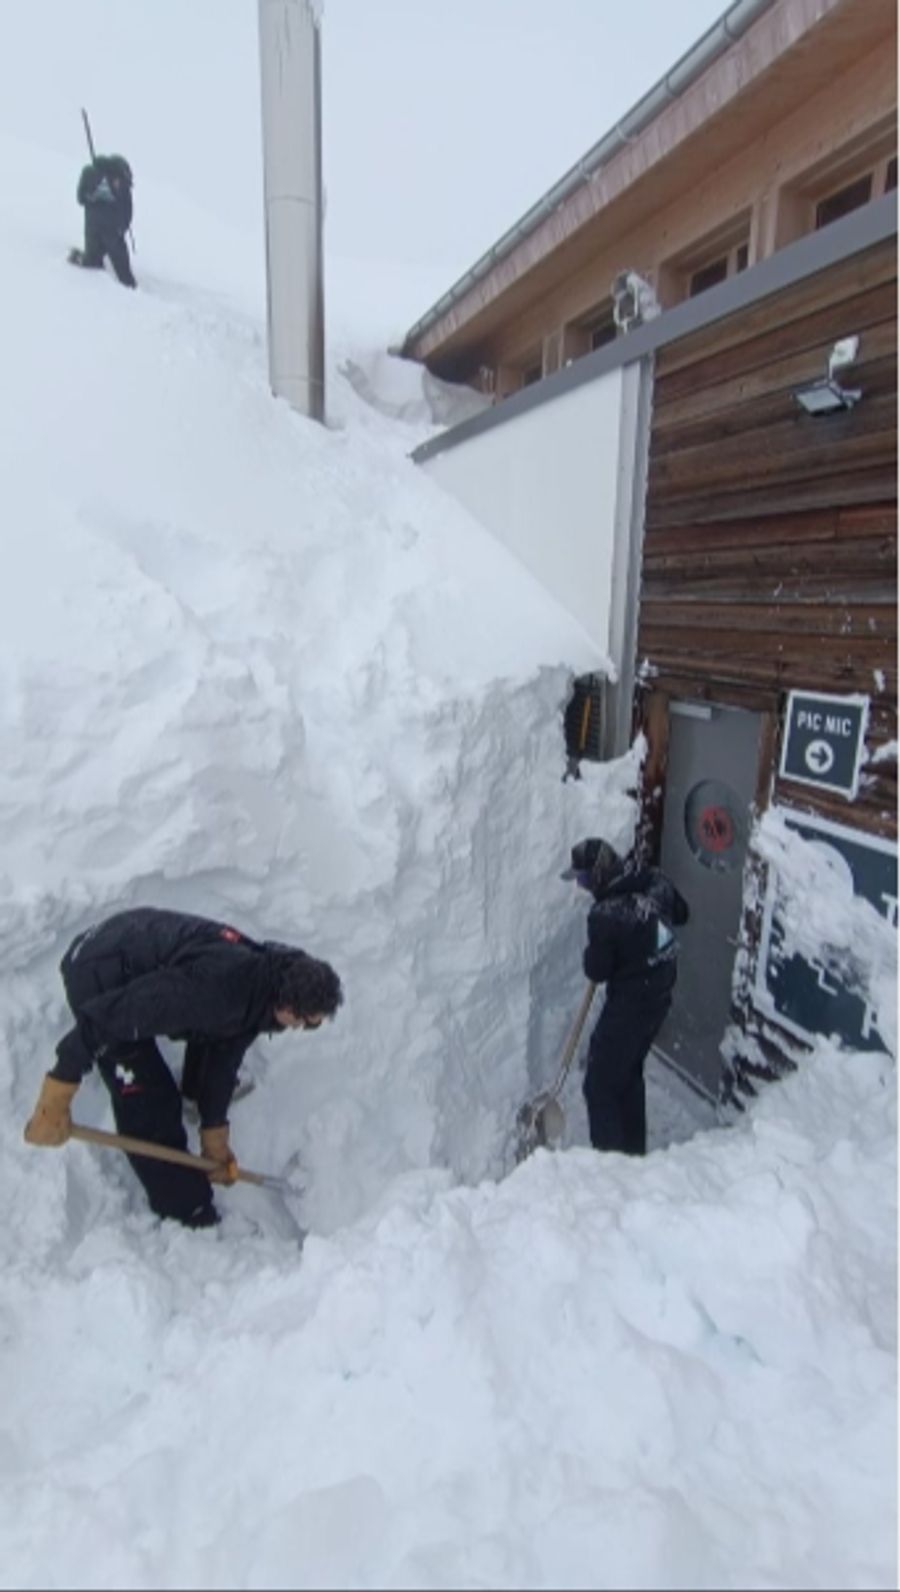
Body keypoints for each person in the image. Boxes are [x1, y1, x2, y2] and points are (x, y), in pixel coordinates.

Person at [24, 908, 343, 1228]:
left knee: (215, 1035)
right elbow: (104, 1021)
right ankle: (187, 1210)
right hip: (98, 977)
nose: (301, 1028)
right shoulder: (211, 990)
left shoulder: (271, 977)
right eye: (304, 1023)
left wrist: (214, 1136)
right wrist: (55, 1096)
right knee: (151, 1103)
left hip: (136, 950)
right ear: (286, 1006)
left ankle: (193, 1094)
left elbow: (226, 1049)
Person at [562, 837, 688, 1157]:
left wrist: (604, 943)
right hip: (659, 997)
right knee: (628, 1074)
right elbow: (682, 913)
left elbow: (598, 970)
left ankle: (611, 1170)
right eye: (580, 880)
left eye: (586, 879)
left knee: (599, 1085)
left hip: (632, 1005)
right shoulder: (655, 881)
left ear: (602, 873)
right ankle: (633, 1155)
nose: (584, 886)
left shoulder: (605, 915)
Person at [68, 154, 136, 288]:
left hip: (92, 224)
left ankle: (79, 258)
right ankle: (131, 292)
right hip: (112, 228)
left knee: (93, 260)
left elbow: (81, 199)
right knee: (124, 272)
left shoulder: (89, 173)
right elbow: (127, 209)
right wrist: (122, 228)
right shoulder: (121, 179)